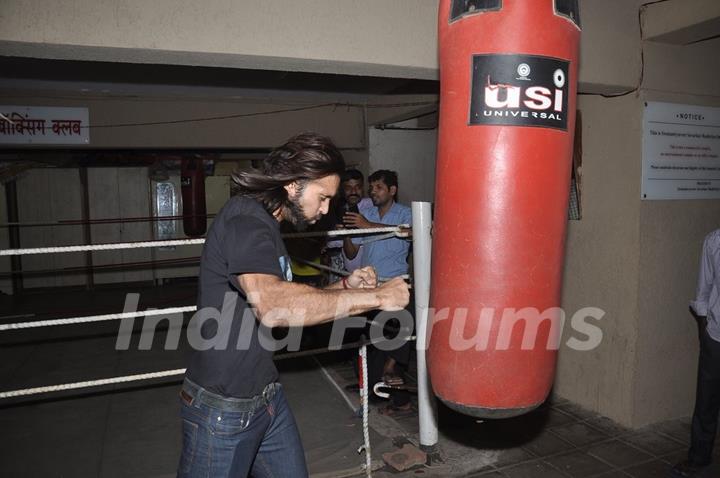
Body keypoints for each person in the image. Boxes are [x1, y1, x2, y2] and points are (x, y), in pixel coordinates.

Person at [177, 133, 410, 478]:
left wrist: (344, 286)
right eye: (323, 197)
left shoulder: (269, 224)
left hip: (266, 398)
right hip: (222, 409)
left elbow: (286, 306)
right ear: (292, 185)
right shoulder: (246, 220)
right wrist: (376, 297)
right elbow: (273, 307)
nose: (326, 209)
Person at [343, 170, 413, 415]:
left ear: (392, 190)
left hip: (396, 285)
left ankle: (396, 386)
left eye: (378, 187)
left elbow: (412, 233)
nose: (373, 191)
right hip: (372, 288)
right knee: (374, 343)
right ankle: (392, 399)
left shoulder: (405, 212)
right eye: (371, 187)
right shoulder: (367, 214)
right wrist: (348, 231)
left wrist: (368, 225)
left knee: (397, 340)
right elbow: (352, 253)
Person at [673, 228, 720, 478]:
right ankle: (699, 457)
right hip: (716, 335)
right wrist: (704, 329)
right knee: (706, 401)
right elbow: (704, 288)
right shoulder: (714, 241)